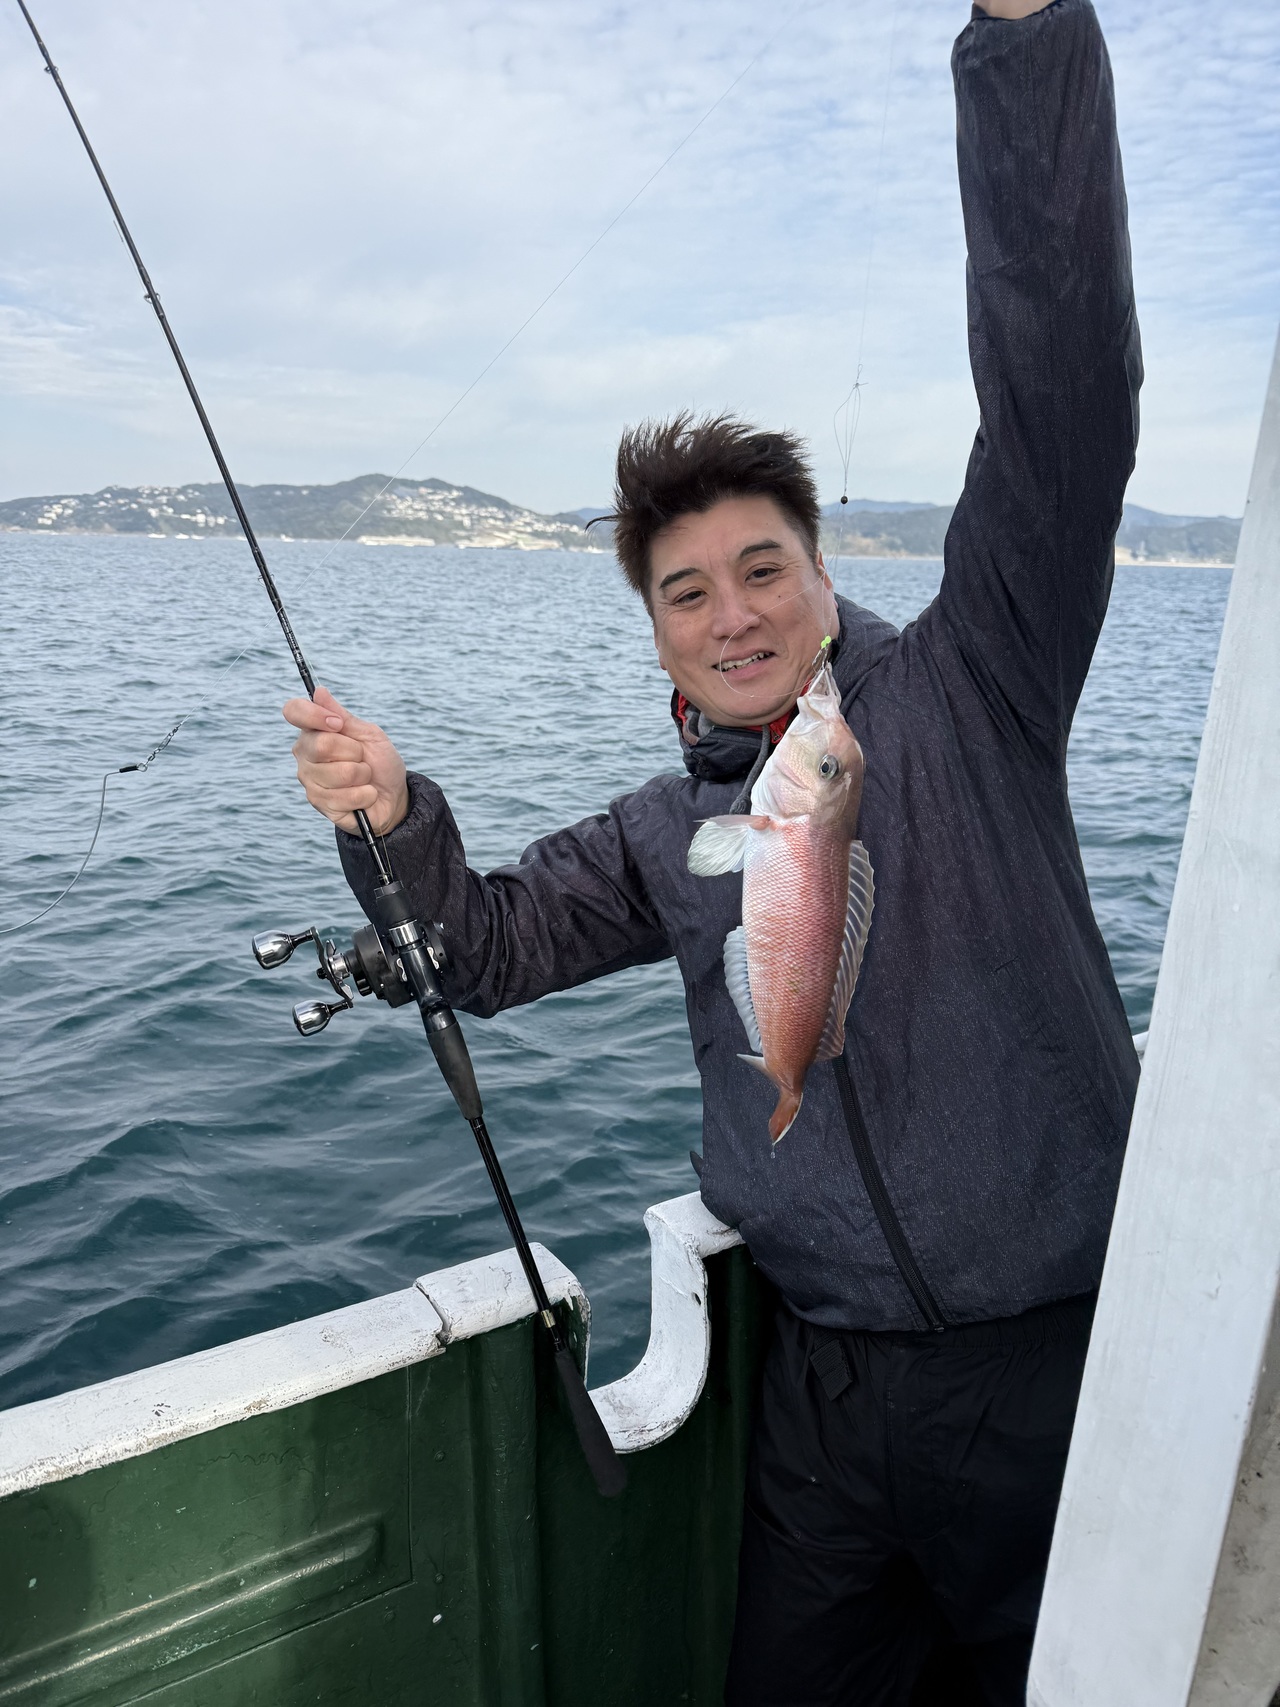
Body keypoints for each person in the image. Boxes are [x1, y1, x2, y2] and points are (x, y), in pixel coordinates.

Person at [285, 0, 1141, 1699]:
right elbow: (484, 948)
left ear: (822, 572)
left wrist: (1024, 41)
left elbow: (1065, 399)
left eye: (762, 570)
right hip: (820, 1393)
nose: (732, 614)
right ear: (656, 632)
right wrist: (391, 821)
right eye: (687, 592)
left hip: (1055, 1365)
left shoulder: (976, 684)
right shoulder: (661, 828)